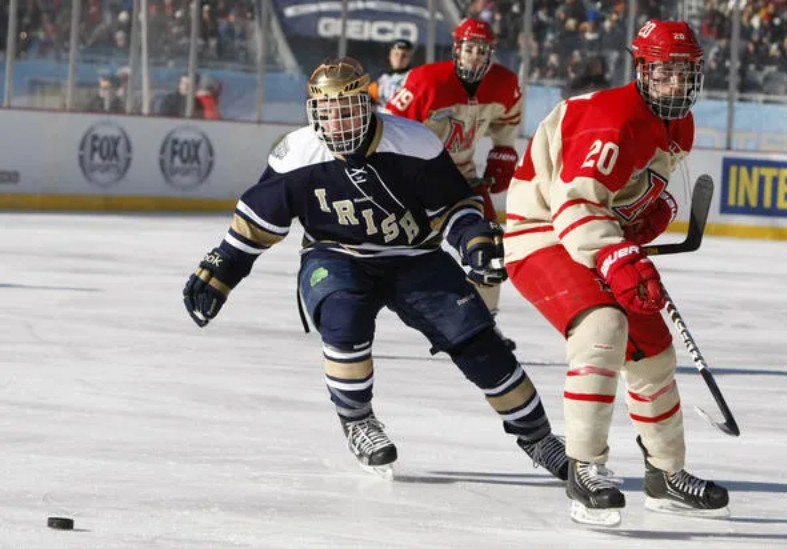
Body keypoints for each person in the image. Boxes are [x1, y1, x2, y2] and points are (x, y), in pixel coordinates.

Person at [182, 56, 567, 481]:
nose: (338, 122)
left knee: (479, 341)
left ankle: (539, 438)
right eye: (328, 112)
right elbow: (256, 224)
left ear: (367, 106)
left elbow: (455, 205)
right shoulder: (297, 153)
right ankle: (358, 420)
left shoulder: (413, 141)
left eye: (347, 110)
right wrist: (222, 269)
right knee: (342, 316)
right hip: (336, 255)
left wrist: (472, 239)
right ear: (314, 113)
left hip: (415, 256)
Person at [503, 19, 729, 526]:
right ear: (642, 70)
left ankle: (665, 475)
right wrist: (617, 256)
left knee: (653, 351)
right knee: (603, 327)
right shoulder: (614, 119)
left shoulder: (680, 124)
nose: (676, 83)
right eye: (665, 72)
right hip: (542, 233)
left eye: (686, 72)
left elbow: (616, 198)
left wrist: (641, 216)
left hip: (591, 234)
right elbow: (576, 205)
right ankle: (585, 468)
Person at [385, 18, 522, 351]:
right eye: (470, 49)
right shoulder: (426, 80)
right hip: (417, 178)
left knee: (489, 247)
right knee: (389, 256)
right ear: (457, 49)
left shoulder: (504, 83)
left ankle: (486, 327)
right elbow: (390, 127)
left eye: (482, 50)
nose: (475, 56)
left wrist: (503, 150)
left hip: (463, 177)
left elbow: (508, 121)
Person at [367, 38, 415, 112]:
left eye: (404, 55)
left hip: (402, 117)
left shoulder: (414, 78)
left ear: (410, 58)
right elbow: (368, 98)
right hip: (381, 117)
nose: (399, 58)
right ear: (389, 55)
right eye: (396, 54)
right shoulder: (380, 78)